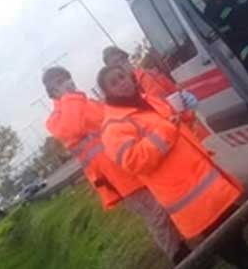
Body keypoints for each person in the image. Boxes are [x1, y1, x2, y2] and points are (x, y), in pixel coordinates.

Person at [97, 65, 248, 269]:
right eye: (113, 83)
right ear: (107, 93)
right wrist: (166, 129)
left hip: (200, 177)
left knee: (230, 222)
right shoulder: (113, 127)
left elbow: (176, 124)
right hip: (184, 192)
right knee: (219, 235)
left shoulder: (147, 100)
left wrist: (184, 113)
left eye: (122, 77)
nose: (121, 83)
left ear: (130, 77)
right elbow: (135, 161)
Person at [42, 67, 190, 264]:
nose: (67, 82)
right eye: (59, 82)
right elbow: (72, 128)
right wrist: (68, 98)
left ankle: (184, 249)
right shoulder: (55, 120)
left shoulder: (89, 103)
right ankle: (180, 257)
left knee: (165, 207)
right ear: (52, 92)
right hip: (118, 179)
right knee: (156, 215)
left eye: (67, 77)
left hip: (134, 164)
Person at [102, 46, 211, 141]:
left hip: (194, 131)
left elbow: (176, 92)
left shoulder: (151, 74)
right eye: (116, 62)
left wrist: (186, 96)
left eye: (123, 58)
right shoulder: (124, 100)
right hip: (169, 142)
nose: (122, 63)